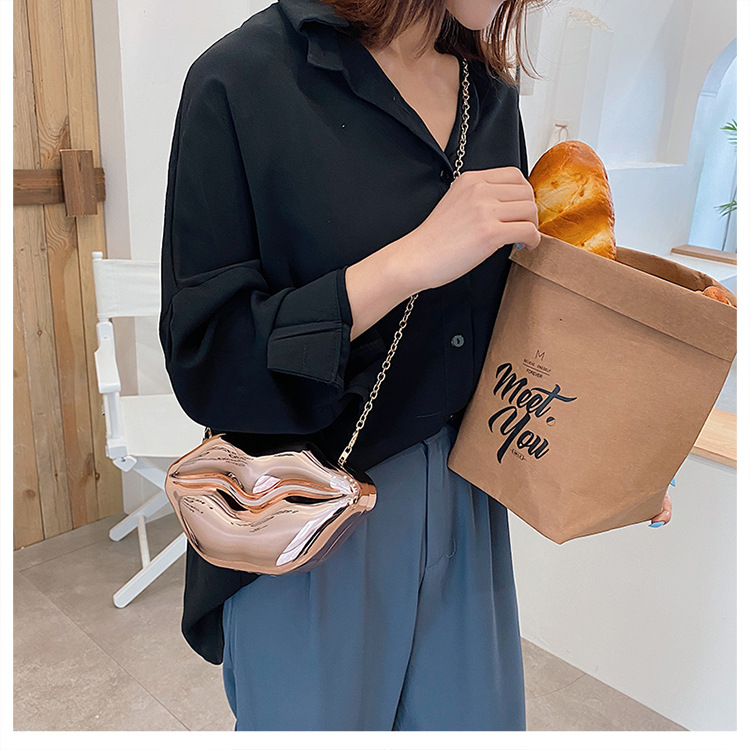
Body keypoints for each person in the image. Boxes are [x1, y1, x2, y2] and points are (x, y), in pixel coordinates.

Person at [159, 0, 671, 732]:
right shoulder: (242, 79)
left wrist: (609, 444)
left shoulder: (488, 95)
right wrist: (407, 262)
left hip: (468, 501)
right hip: (312, 512)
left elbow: (508, 319)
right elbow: (208, 360)